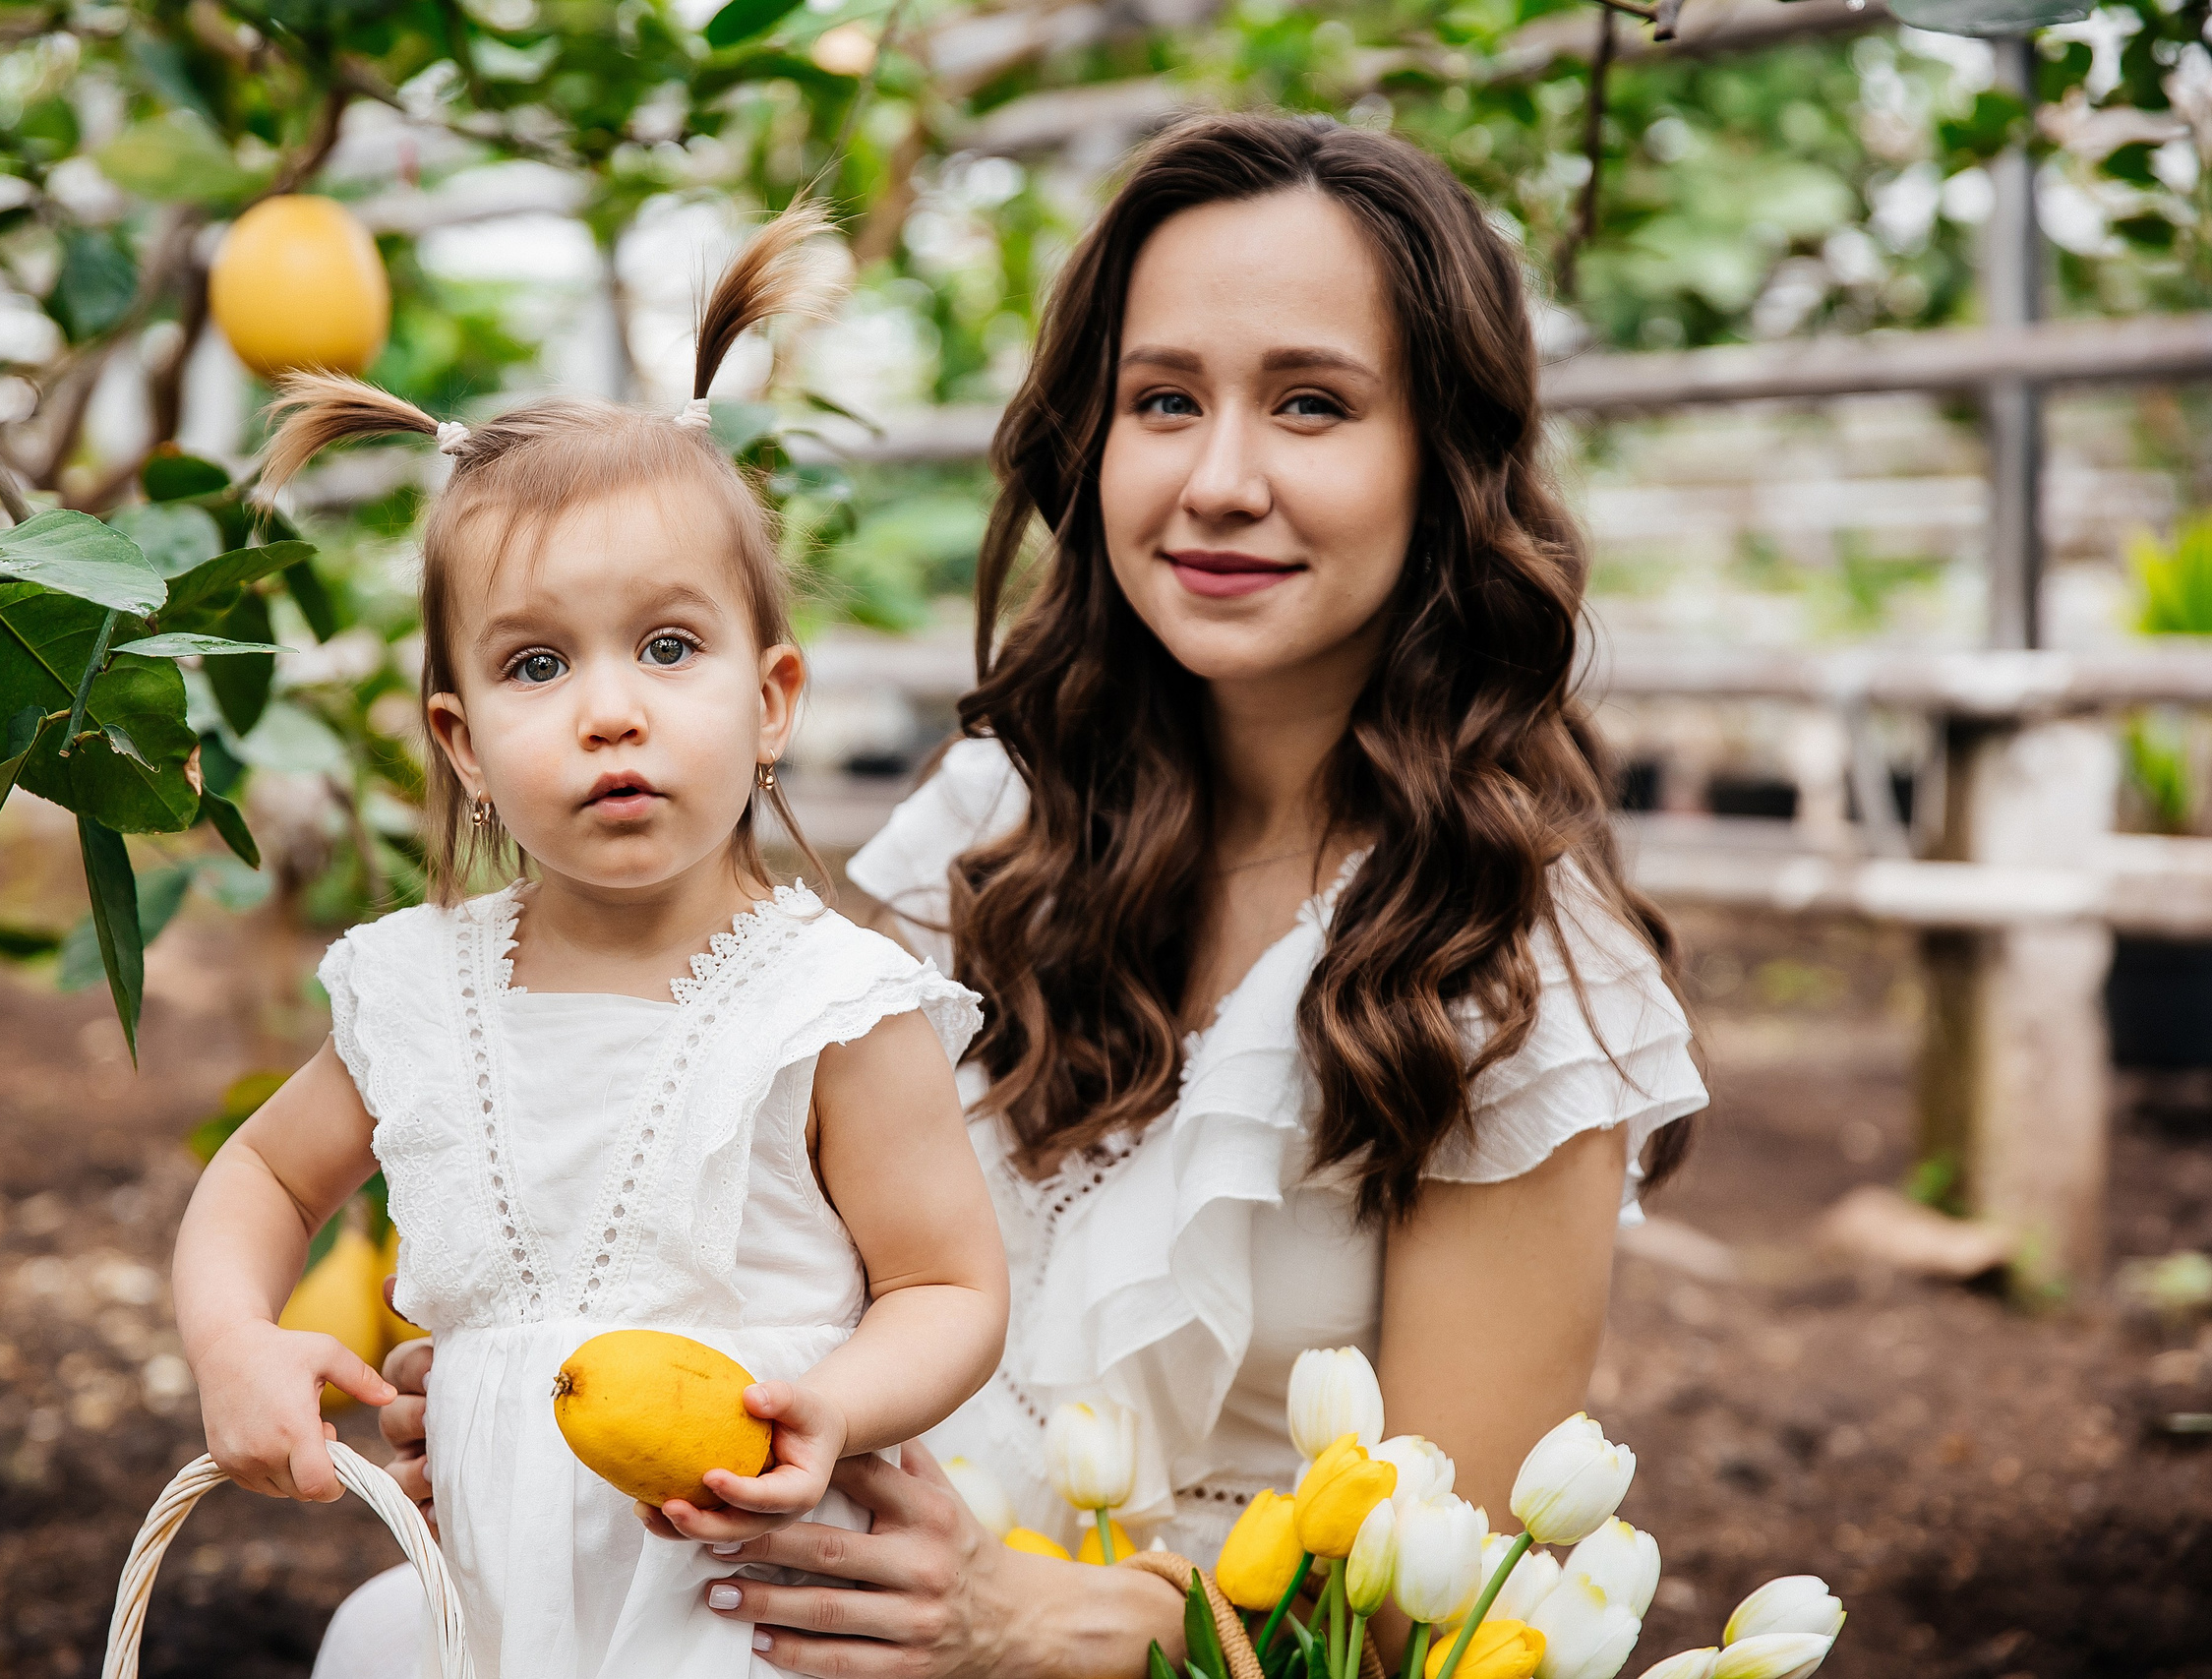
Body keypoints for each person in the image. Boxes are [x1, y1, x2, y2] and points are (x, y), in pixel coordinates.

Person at [326, 111, 1706, 1677]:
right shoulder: (997, 823)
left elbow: (1430, 1631)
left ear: (1441, 458)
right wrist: (551, 1393)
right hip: (808, 1606)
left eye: (1313, 405)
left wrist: (1063, 1627)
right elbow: (779, 1211)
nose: (1220, 480)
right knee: (393, 1634)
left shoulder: (1516, 982)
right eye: (1164, 400)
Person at [172, 202, 1009, 1679]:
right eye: (537, 663)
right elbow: (261, 1172)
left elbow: (948, 1286)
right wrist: (234, 1341)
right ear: (464, 739)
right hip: (487, 1621)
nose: (609, 708)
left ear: (773, 700)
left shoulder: (826, 1008)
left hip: (740, 1605)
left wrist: (841, 1405)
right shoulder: (417, 989)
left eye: (670, 648)